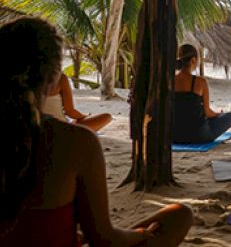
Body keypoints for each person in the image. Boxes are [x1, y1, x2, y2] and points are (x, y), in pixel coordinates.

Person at [0, 17, 192, 246]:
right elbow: (103, 239)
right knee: (179, 215)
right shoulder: (75, 142)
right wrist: (142, 235)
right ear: (53, 79)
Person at [173, 44, 231, 143]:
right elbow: (207, 112)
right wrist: (219, 114)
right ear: (193, 60)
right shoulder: (200, 82)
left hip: (175, 136)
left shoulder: (170, 81)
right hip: (199, 136)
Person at [40, 73, 113, 132]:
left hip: (34, 132)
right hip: (61, 131)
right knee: (107, 117)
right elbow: (70, 111)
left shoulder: (28, 80)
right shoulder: (60, 78)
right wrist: (84, 117)